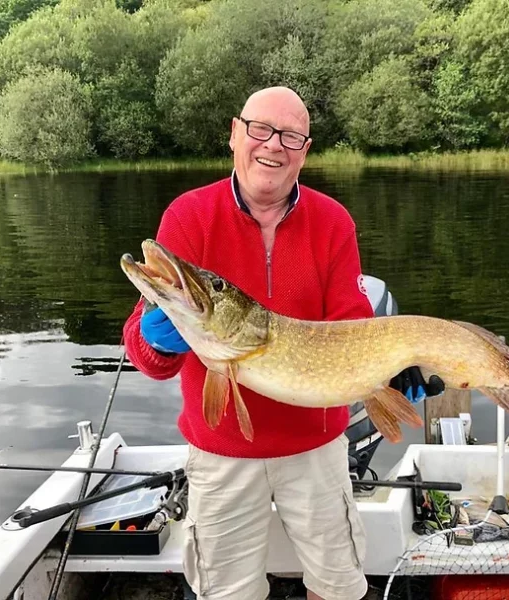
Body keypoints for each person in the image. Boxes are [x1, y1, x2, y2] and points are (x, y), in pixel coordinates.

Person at [123, 86, 443, 600]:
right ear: (235, 134)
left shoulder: (333, 221)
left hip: (317, 450)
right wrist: (158, 335)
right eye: (260, 129)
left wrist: (389, 367)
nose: (273, 145)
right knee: (226, 593)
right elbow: (150, 363)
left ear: (305, 150)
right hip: (221, 454)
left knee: (338, 588)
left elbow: (352, 322)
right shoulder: (188, 216)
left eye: (291, 135)